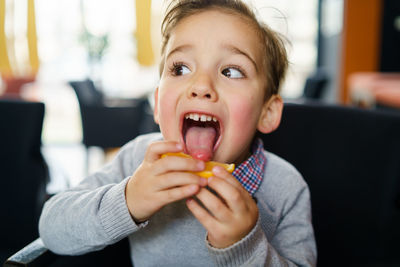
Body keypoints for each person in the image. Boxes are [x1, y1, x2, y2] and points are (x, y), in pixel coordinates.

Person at [39, 0, 317, 266]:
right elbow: (51, 228)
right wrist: (128, 201)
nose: (201, 85)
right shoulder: (137, 161)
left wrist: (244, 245)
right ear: (159, 104)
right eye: (180, 68)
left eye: (231, 71)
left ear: (266, 113)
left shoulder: (287, 189)